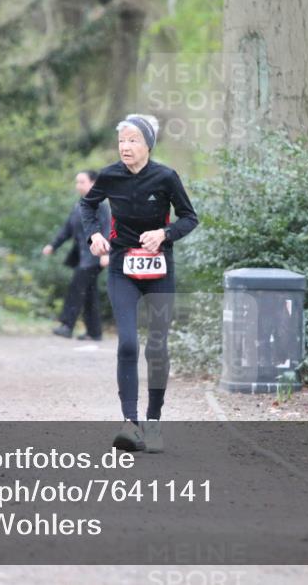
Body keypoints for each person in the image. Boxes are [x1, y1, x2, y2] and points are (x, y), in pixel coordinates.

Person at [79, 113, 198, 453]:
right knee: (128, 343)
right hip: (122, 269)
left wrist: (165, 233)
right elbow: (87, 206)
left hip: (159, 270)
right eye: (121, 142)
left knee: (156, 347)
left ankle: (153, 422)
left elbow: (190, 217)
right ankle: (130, 423)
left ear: (147, 145)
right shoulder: (110, 176)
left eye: (133, 141)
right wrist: (94, 236)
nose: (126, 147)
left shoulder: (165, 177)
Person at [43, 170, 111, 340]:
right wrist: (53, 245)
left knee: (77, 288)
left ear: (93, 183)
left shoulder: (101, 206)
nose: (78, 185)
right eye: (77, 182)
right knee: (89, 293)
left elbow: (107, 229)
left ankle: (67, 325)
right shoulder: (79, 205)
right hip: (82, 256)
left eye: (82, 182)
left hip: (94, 257)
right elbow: (67, 229)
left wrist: (106, 253)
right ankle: (94, 332)